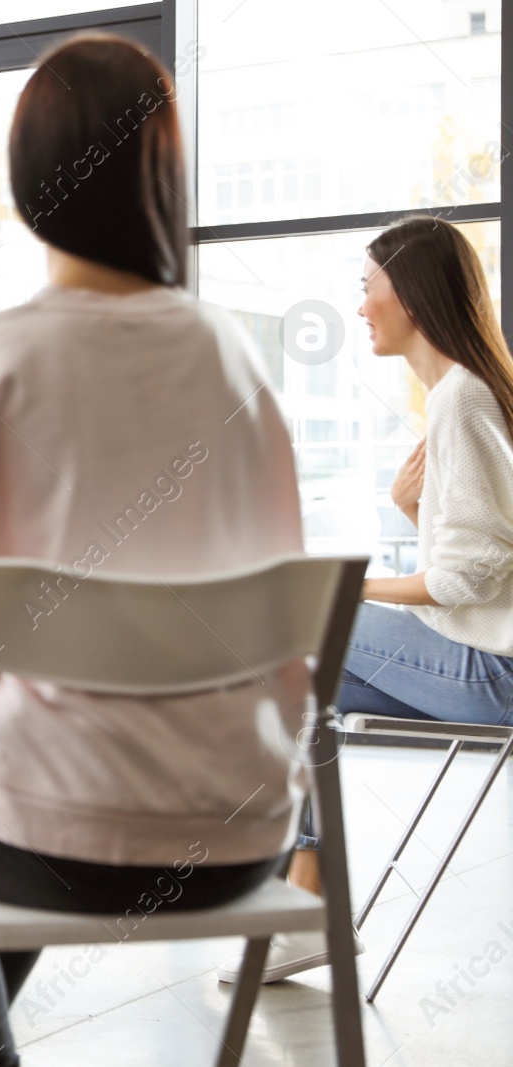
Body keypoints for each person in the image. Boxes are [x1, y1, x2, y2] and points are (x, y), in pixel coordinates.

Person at [0, 37, 309, 1066]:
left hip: (43, 845)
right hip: (240, 837)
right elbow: (282, 605)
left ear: (28, 177)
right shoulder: (234, 352)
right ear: (164, 171)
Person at [222, 215, 513, 985]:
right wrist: (412, 509)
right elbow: (485, 559)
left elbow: (467, 580)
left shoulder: (460, 400)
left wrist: (332, 582)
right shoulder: (462, 397)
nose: (359, 308)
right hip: (482, 657)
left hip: (497, 673)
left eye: (367, 289)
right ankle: (302, 903)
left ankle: (301, 900)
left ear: (410, 297)